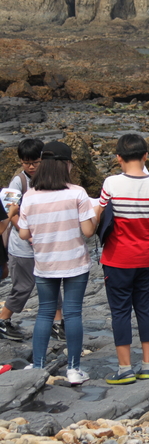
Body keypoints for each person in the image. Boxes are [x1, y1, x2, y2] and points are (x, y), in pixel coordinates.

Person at [17, 141, 97, 385]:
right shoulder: (77, 193)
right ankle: (73, 369)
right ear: (66, 165)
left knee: (44, 313)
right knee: (72, 314)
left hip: (45, 263)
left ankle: (39, 366)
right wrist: (98, 212)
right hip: (74, 262)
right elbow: (88, 231)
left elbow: (22, 234)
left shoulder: (30, 197)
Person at [95, 134, 149, 384]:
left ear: (118, 158)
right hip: (145, 256)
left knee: (120, 312)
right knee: (145, 308)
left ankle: (125, 369)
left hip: (117, 258)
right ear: (146, 155)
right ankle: (147, 365)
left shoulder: (111, 183)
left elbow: (101, 214)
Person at [0, 139, 66, 342]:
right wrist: (27, 233)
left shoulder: (50, 178)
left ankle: (57, 324)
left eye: (35, 162)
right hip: (22, 247)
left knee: (52, 282)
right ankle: (3, 320)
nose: (30, 166)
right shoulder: (18, 182)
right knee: (23, 286)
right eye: (25, 162)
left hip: (45, 244)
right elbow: (11, 213)